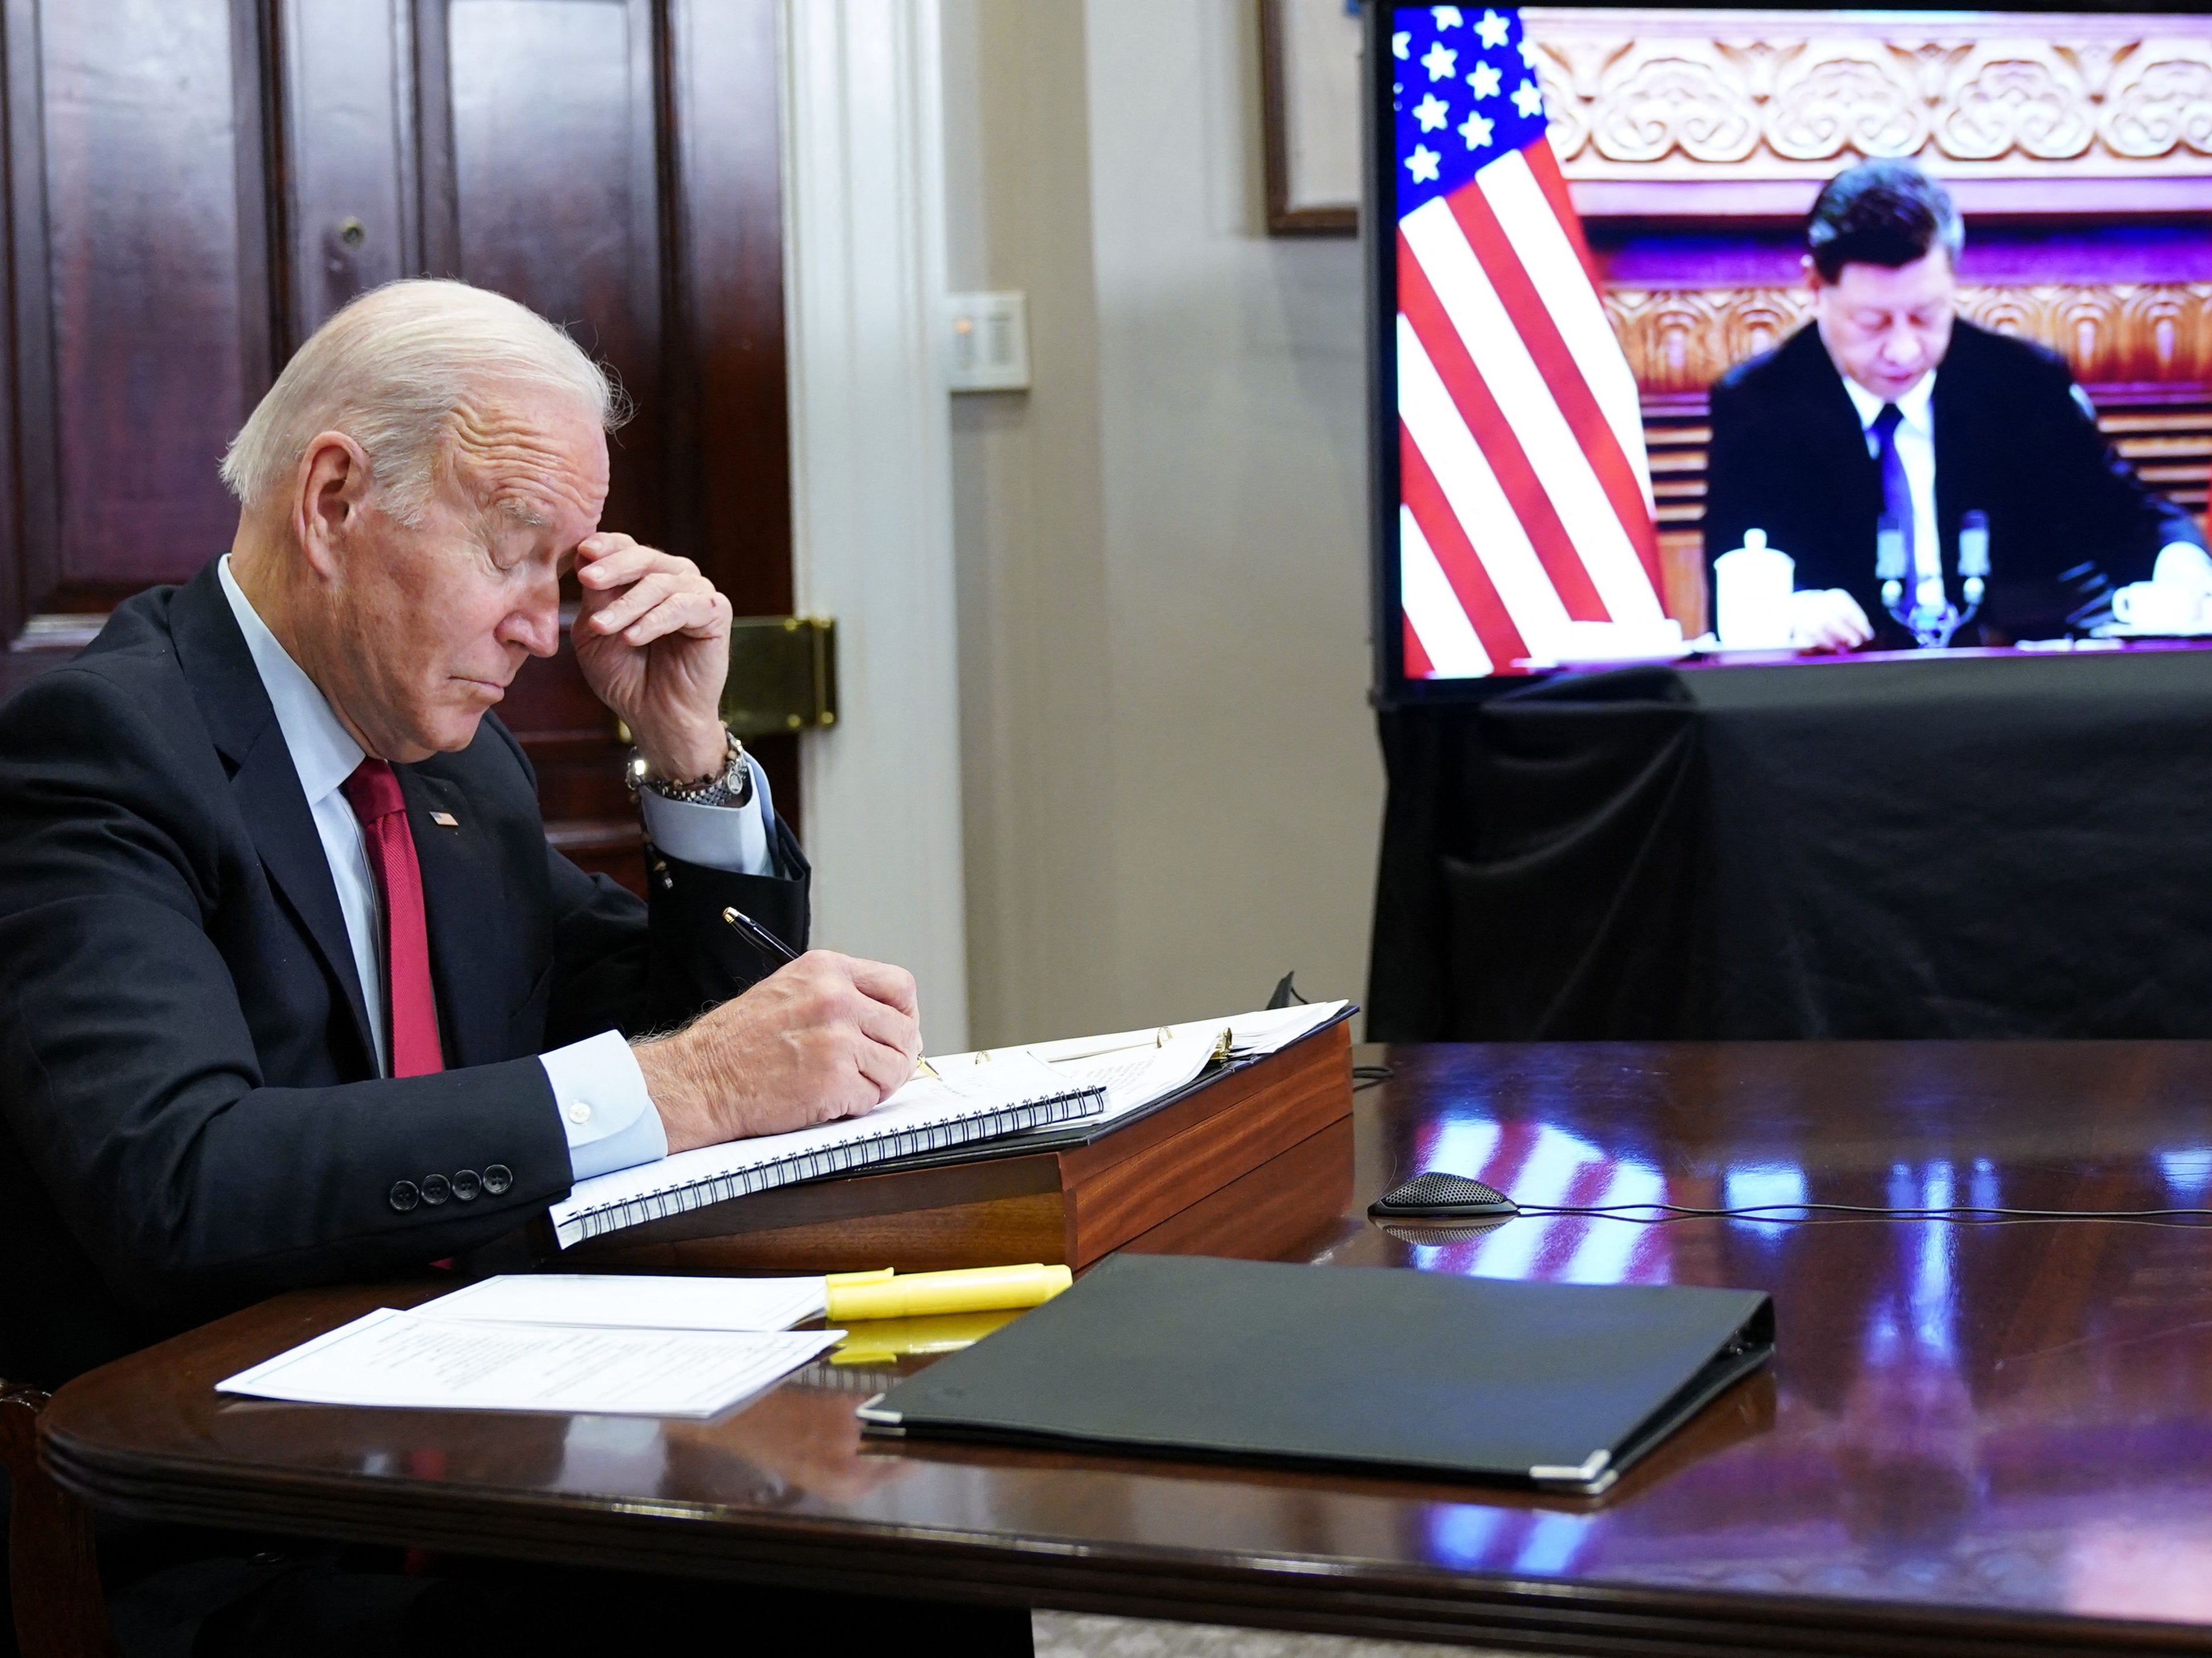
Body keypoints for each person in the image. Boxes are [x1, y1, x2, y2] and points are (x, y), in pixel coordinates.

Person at [0, 280, 1028, 1655]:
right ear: (333, 501)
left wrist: (686, 751)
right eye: (512, 552)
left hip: (477, 1444)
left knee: (917, 1566)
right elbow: (179, 1176)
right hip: (224, 1518)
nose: (545, 631)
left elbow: (696, 1035)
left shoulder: (454, 775)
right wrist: (680, 1088)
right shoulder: (101, 752)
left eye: (565, 570)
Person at [1702, 160, 2207, 651]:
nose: (1903, 350)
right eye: (1873, 322)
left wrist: (2182, 568)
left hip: (2011, 693)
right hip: (1843, 701)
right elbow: (1735, 570)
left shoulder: (2022, 385)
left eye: (1925, 316)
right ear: (1816, 288)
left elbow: (2134, 524)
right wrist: (1791, 611)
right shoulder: (1759, 406)